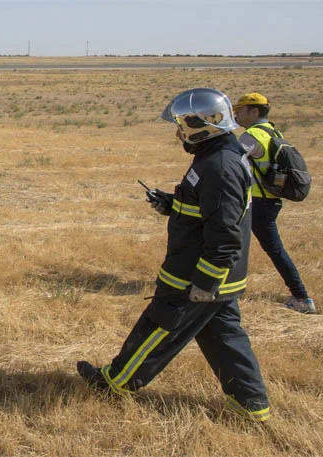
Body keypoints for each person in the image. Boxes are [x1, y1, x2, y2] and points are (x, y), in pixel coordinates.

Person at [77, 88, 270, 422]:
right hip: (218, 279)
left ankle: (116, 383)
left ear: (205, 124)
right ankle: (252, 406)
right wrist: (170, 203)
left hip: (196, 276)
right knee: (226, 340)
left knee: (159, 327)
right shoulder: (218, 155)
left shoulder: (220, 165)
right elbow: (206, 211)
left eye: (185, 124)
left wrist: (205, 282)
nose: (179, 131)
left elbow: (226, 234)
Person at [233, 92, 316, 314]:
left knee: (269, 249)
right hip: (269, 201)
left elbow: (230, 163)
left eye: (240, 110)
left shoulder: (251, 136)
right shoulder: (273, 131)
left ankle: (302, 297)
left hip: (257, 203)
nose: (236, 115)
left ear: (254, 111)